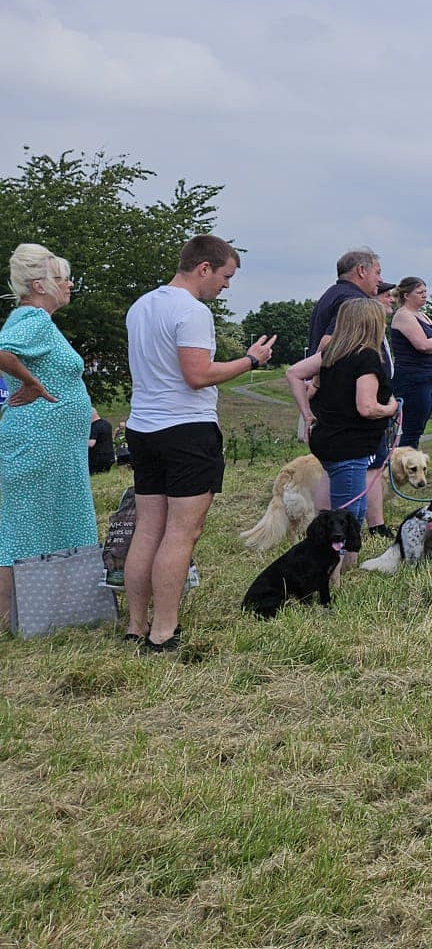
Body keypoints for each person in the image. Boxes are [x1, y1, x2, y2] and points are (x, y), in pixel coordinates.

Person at [124, 235, 277, 651]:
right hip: (186, 430)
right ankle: (163, 633)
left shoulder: (141, 306)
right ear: (204, 268)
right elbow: (197, 375)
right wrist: (251, 361)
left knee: (148, 529)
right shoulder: (191, 311)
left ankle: (136, 626)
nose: (226, 286)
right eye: (225, 276)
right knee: (180, 534)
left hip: (143, 427)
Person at [0, 245, 97, 631]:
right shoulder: (33, 319)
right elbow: (2, 351)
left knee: (49, 525)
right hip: (36, 446)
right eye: (61, 277)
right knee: (22, 529)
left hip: (54, 449)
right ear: (39, 285)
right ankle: (8, 621)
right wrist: (31, 382)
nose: (68, 283)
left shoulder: (38, 320)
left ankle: (50, 612)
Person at [307, 297, 401, 522]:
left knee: (350, 507)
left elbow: (293, 374)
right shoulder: (366, 356)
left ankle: (344, 555)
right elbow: (367, 408)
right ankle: (338, 556)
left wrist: (307, 412)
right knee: (348, 515)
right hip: (350, 445)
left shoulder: (333, 353)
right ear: (373, 324)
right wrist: (391, 409)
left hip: (329, 438)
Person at [388, 276, 432, 448]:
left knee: (418, 427)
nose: (424, 295)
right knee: (411, 427)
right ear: (406, 295)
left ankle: (409, 459)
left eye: (425, 292)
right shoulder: (403, 315)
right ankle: (402, 462)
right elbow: (422, 345)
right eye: (419, 292)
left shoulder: (422, 316)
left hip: (428, 378)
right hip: (413, 379)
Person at [306, 249, 383, 355]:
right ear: (361, 270)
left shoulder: (333, 294)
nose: (381, 280)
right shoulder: (354, 301)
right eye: (377, 273)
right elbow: (327, 343)